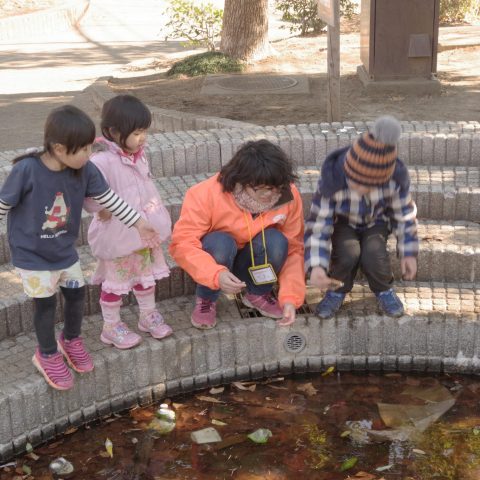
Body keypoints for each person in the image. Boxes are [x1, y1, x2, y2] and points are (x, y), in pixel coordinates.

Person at [0, 105, 160, 390]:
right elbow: (3, 204)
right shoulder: (27, 170)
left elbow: (110, 200)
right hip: (32, 255)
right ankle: (46, 353)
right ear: (59, 148)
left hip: (64, 250)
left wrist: (139, 223)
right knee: (45, 304)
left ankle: (71, 340)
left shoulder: (84, 170)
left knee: (76, 294)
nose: (89, 154)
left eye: (89, 147)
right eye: (83, 149)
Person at [169, 139, 305, 329]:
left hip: (253, 258)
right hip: (217, 260)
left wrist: (291, 297)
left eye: (276, 188)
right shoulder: (205, 194)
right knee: (221, 243)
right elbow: (182, 244)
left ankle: (258, 292)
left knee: (277, 241)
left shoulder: (287, 194)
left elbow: (294, 249)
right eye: (262, 189)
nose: (270, 195)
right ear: (241, 181)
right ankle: (206, 298)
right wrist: (215, 275)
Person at [304, 115, 418, 319]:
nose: (360, 189)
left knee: (373, 254)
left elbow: (404, 217)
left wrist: (408, 252)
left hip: (377, 221)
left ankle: (384, 289)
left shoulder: (395, 180)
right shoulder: (332, 181)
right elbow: (318, 226)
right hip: (343, 223)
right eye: (355, 182)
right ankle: (337, 291)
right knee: (348, 253)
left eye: (368, 185)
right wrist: (316, 266)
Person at [84, 95, 173, 350]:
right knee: (115, 283)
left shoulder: (138, 155)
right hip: (117, 234)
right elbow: (89, 194)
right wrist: (100, 209)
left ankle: (148, 315)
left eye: (144, 131)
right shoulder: (101, 161)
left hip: (143, 234)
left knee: (145, 277)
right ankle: (111, 326)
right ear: (113, 131)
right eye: (136, 133)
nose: (142, 138)